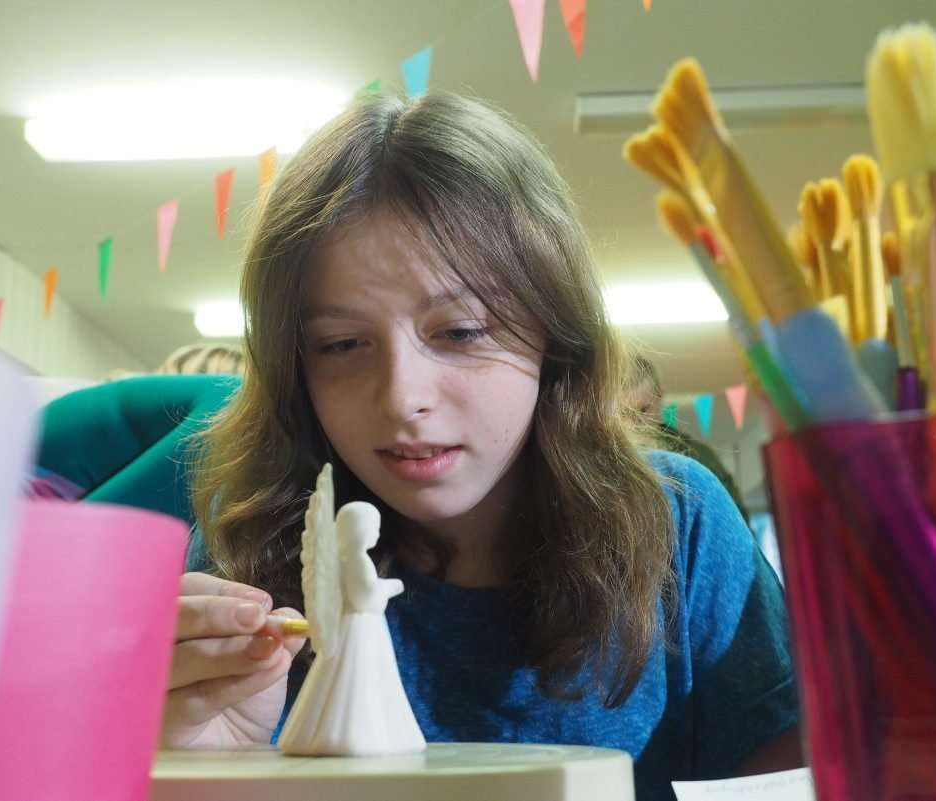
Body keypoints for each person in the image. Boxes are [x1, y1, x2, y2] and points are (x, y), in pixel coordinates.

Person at [164, 92, 801, 801]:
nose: (402, 398)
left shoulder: (677, 529)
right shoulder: (251, 549)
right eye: (341, 344)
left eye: (461, 332)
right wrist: (204, 769)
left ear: (554, 335)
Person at [621, 351, 751, 522]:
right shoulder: (593, 461)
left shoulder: (698, 458)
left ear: (659, 398)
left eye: (643, 410)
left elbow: (736, 526)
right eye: (623, 414)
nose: (633, 425)